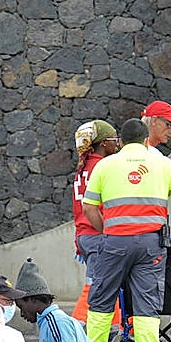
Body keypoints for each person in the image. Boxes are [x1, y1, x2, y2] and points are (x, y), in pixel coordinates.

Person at [82, 118, 171, 342]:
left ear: (120, 142)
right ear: (145, 141)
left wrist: (106, 228)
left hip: (114, 242)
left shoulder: (105, 165)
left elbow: (88, 207)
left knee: (101, 301)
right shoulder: (163, 164)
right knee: (146, 304)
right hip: (151, 244)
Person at [70, 119, 120, 322]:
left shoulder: (82, 169)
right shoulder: (104, 168)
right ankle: (75, 329)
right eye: (114, 139)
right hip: (98, 234)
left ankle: (113, 330)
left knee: (104, 286)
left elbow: (77, 208)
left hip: (85, 235)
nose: (117, 143)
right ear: (103, 143)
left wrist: (78, 240)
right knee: (96, 288)